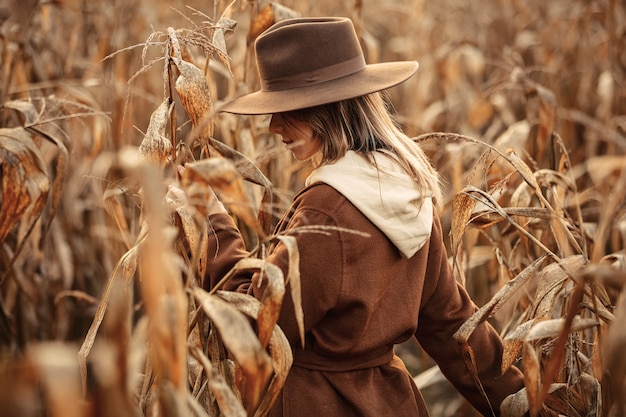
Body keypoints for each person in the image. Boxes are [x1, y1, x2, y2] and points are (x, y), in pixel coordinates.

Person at [201, 16, 524, 417]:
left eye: (287, 109)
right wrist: (527, 403)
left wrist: (208, 222)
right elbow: (451, 324)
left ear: (328, 108)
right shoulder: (407, 188)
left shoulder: (328, 211)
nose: (272, 126)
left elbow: (254, 329)